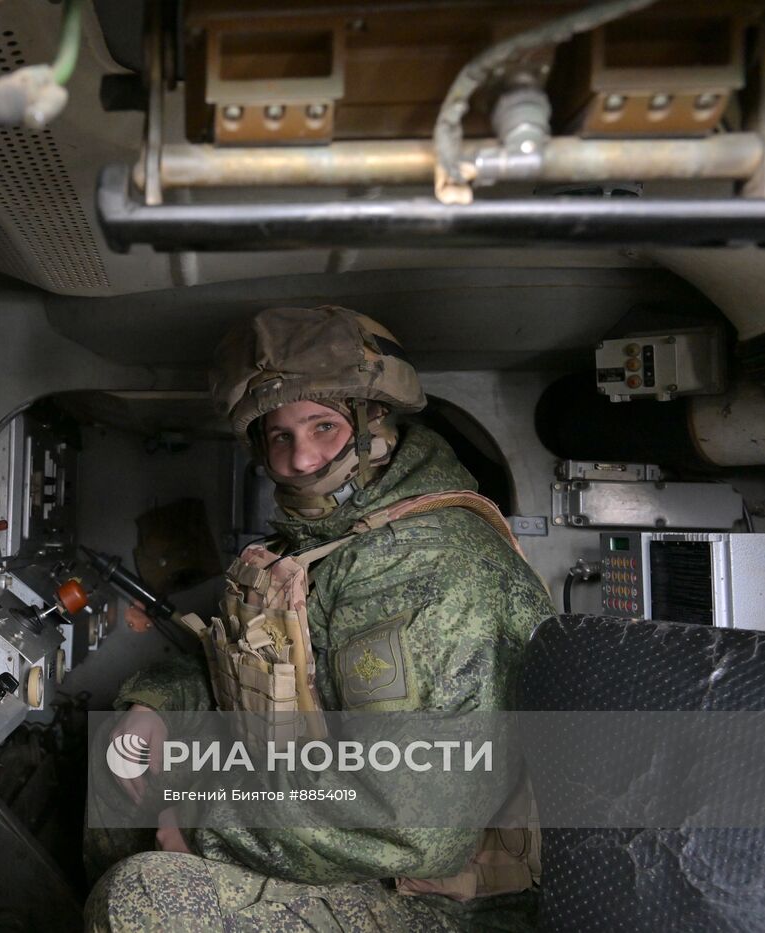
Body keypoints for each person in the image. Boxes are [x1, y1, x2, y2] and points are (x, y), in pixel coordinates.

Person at [83, 305, 552, 931]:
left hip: (441, 897)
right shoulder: (333, 544)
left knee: (142, 898)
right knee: (120, 761)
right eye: (280, 436)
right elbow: (256, 659)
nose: (301, 459)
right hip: (337, 813)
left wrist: (208, 832)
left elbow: (415, 827)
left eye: (323, 427)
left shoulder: (430, 569)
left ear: (373, 421)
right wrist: (156, 705)